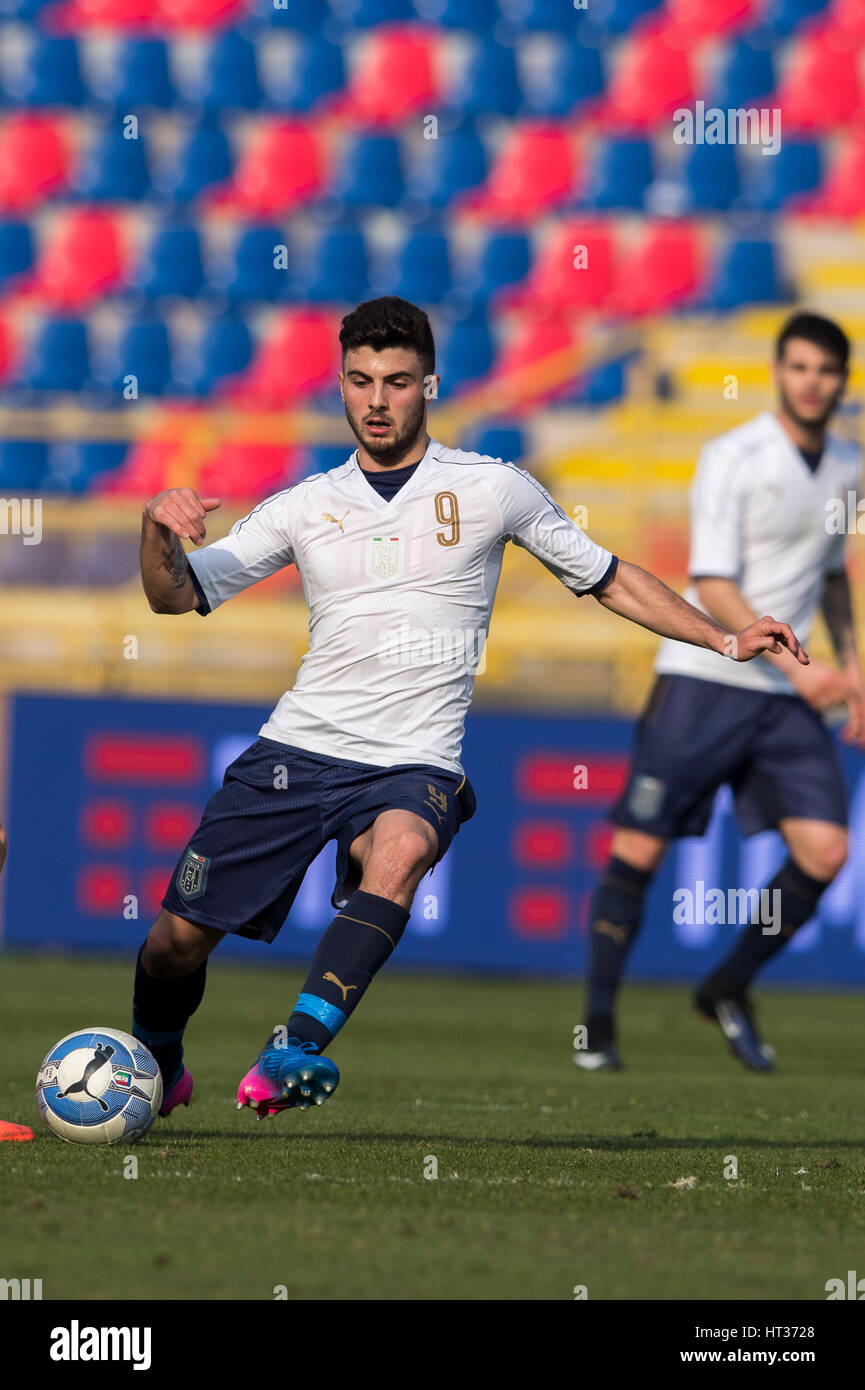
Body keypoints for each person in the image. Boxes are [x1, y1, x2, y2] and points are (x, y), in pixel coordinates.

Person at [134, 296, 809, 1120]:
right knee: (173, 946)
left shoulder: (492, 489)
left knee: (404, 845)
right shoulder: (304, 505)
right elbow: (175, 596)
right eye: (359, 381)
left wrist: (723, 638)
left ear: (430, 386)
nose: (377, 400)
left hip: (415, 759)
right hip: (299, 747)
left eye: (396, 381)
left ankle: (295, 1049)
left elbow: (608, 575)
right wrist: (156, 529)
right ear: (340, 388)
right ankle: (159, 1065)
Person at [579, 311, 865, 1073]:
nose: (812, 382)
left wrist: (853, 666)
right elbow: (711, 583)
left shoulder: (846, 464)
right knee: (638, 847)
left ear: (841, 381)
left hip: (783, 691)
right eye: (799, 367)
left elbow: (835, 575)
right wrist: (807, 671)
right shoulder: (732, 456)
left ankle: (727, 986)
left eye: (826, 371)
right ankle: (596, 1027)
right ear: (778, 371)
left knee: (827, 848)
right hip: (706, 678)